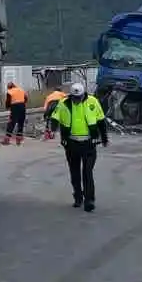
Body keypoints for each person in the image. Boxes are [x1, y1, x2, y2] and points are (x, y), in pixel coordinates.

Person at [52, 80, 109, 211]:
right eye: (75, 98)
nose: (77, 100)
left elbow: (101, 120)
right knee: (75, 172)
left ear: (84, 95)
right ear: (71, 96)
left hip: (89, 142)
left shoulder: (92, 102)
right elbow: (55, 118)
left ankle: (89, 200)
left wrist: (104, 138)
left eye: (80, 97)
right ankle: (78, 197)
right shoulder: (64, 103)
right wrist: (52, 130)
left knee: (87, 172)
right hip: (71, 143)